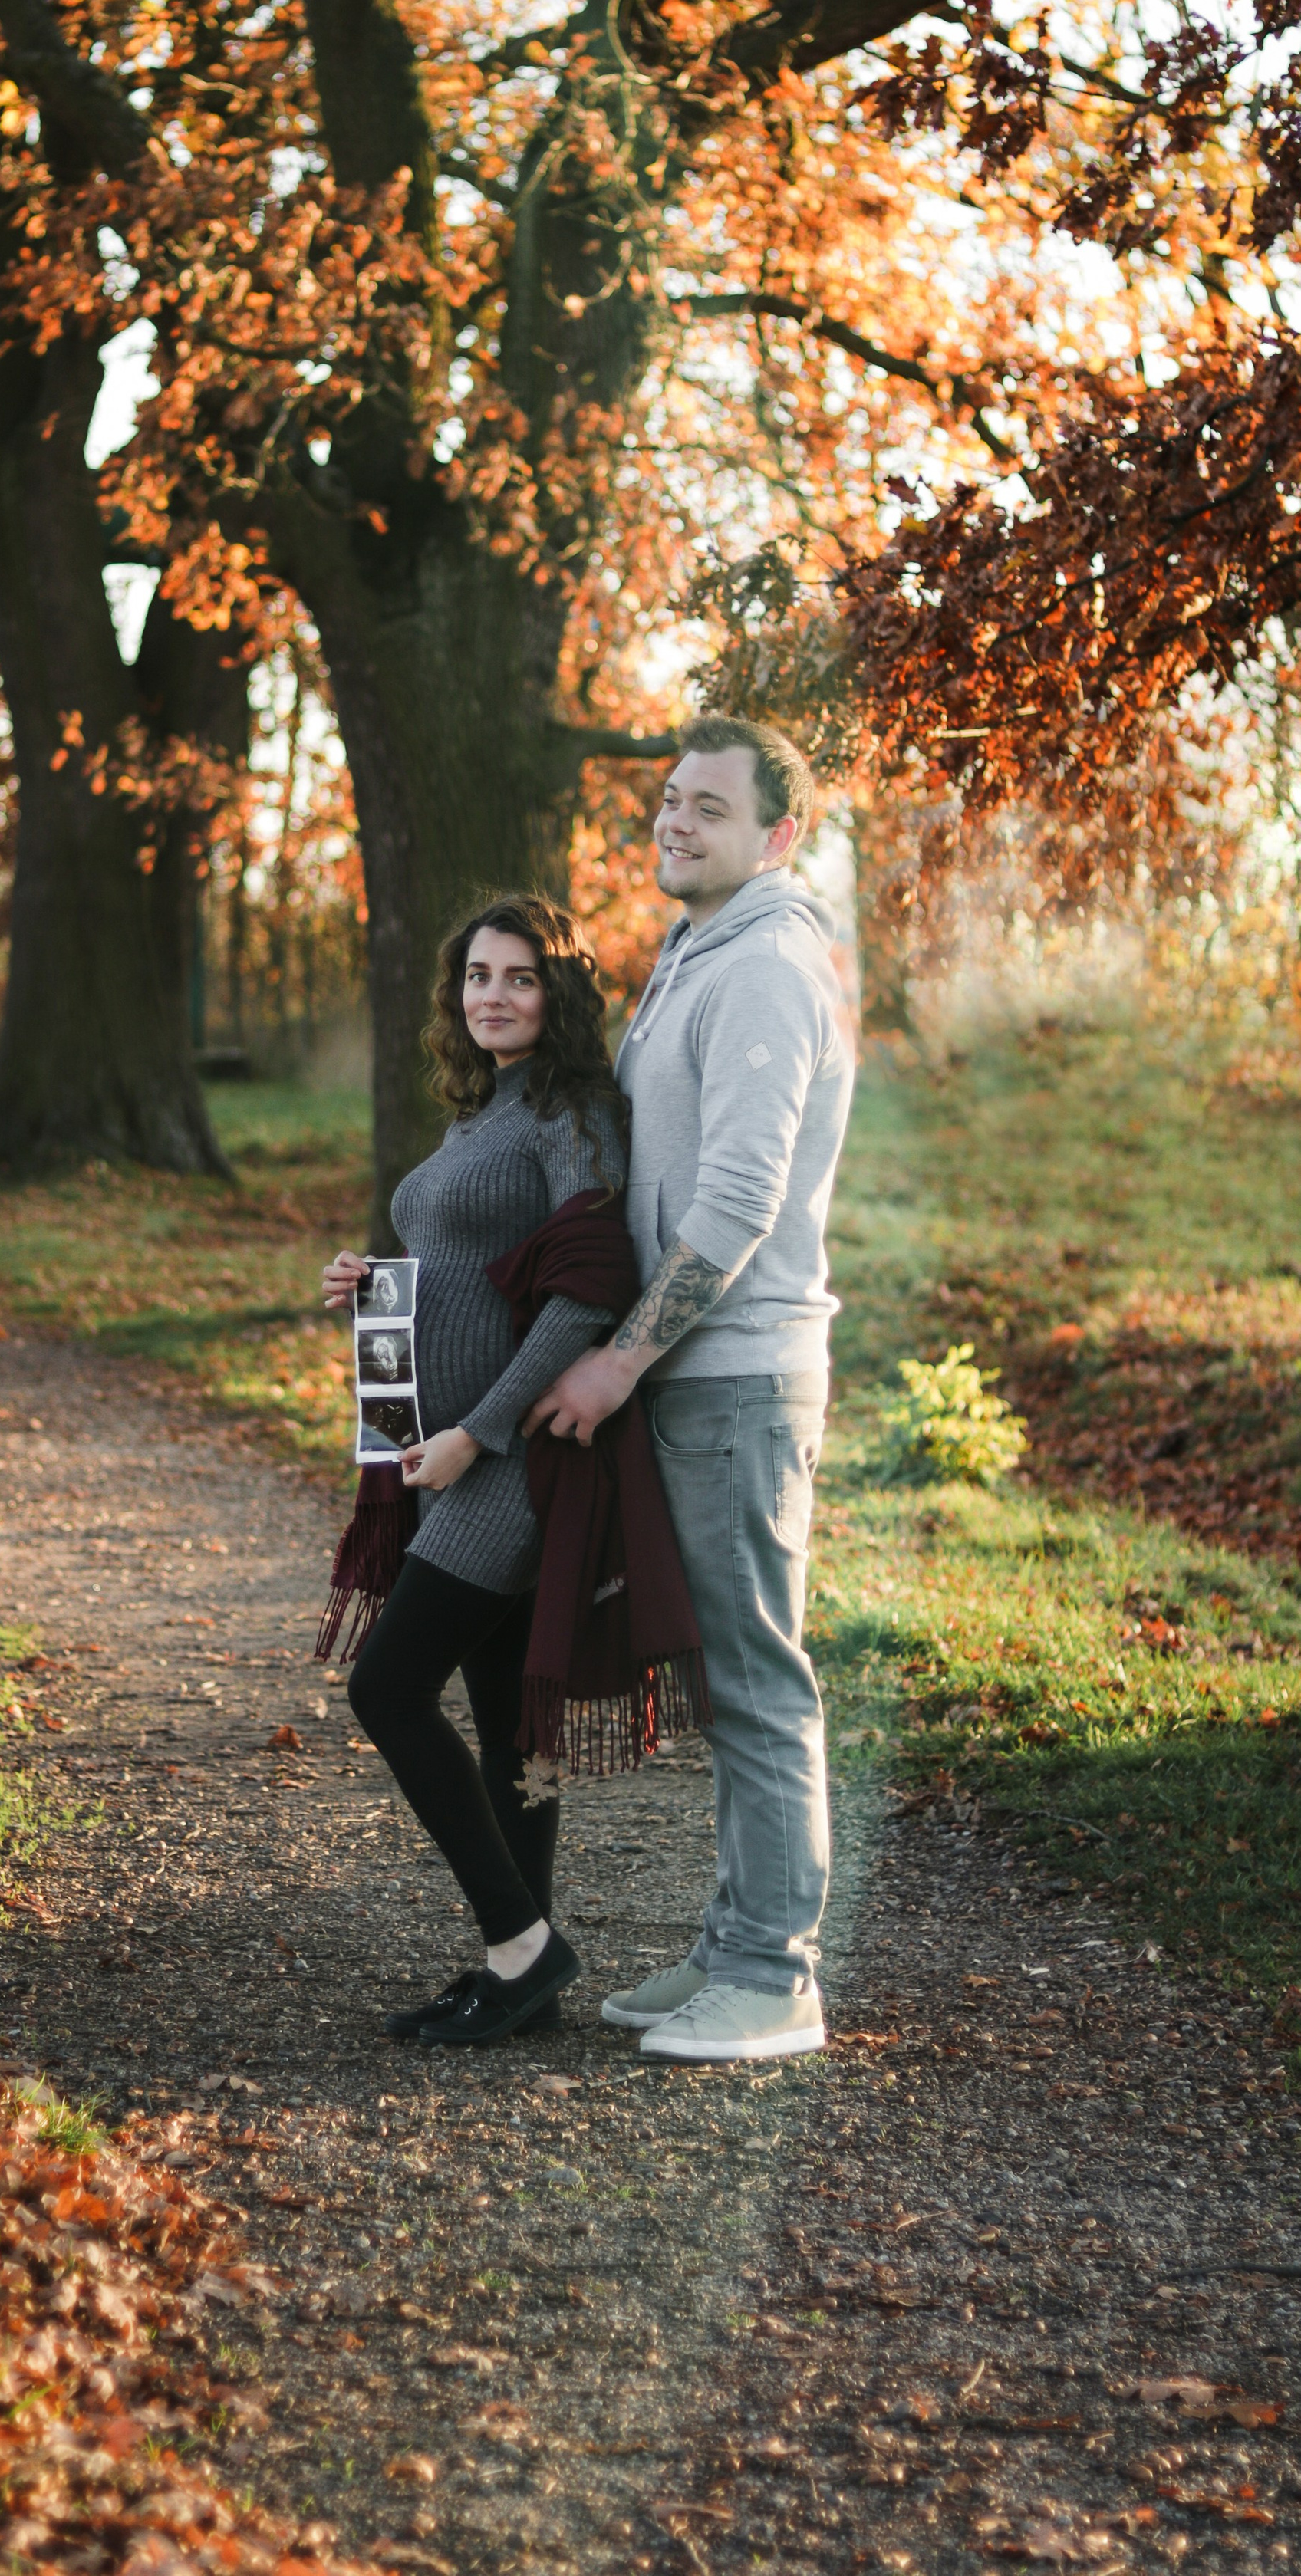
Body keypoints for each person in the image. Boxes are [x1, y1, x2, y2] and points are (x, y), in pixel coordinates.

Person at [530, 716, 854, 2064]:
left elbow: (735, 1202)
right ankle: (730, 1947)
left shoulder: (769, 962)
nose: (674, 821)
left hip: (736, 1375)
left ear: (777, 837)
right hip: (696, 1375)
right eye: (670, 800)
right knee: (727, 1673)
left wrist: (620, 1358)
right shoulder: (697, 951)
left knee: (759, 1679)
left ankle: (776, 1980)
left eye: (709, 808)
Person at [319, 896, 628, 2046]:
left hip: (514, 1461)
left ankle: (522, 1941)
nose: (492, 995)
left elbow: (587, 1293)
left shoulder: (570, 1111)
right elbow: (462, 1263)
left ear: (559, 996)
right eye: (478, 976)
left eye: (520, 978)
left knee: (388, 1687)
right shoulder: (482, 1111)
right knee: (506, 1722)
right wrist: (377, 1284)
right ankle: (525, 1985)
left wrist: (479, 1434)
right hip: (449, 1449)